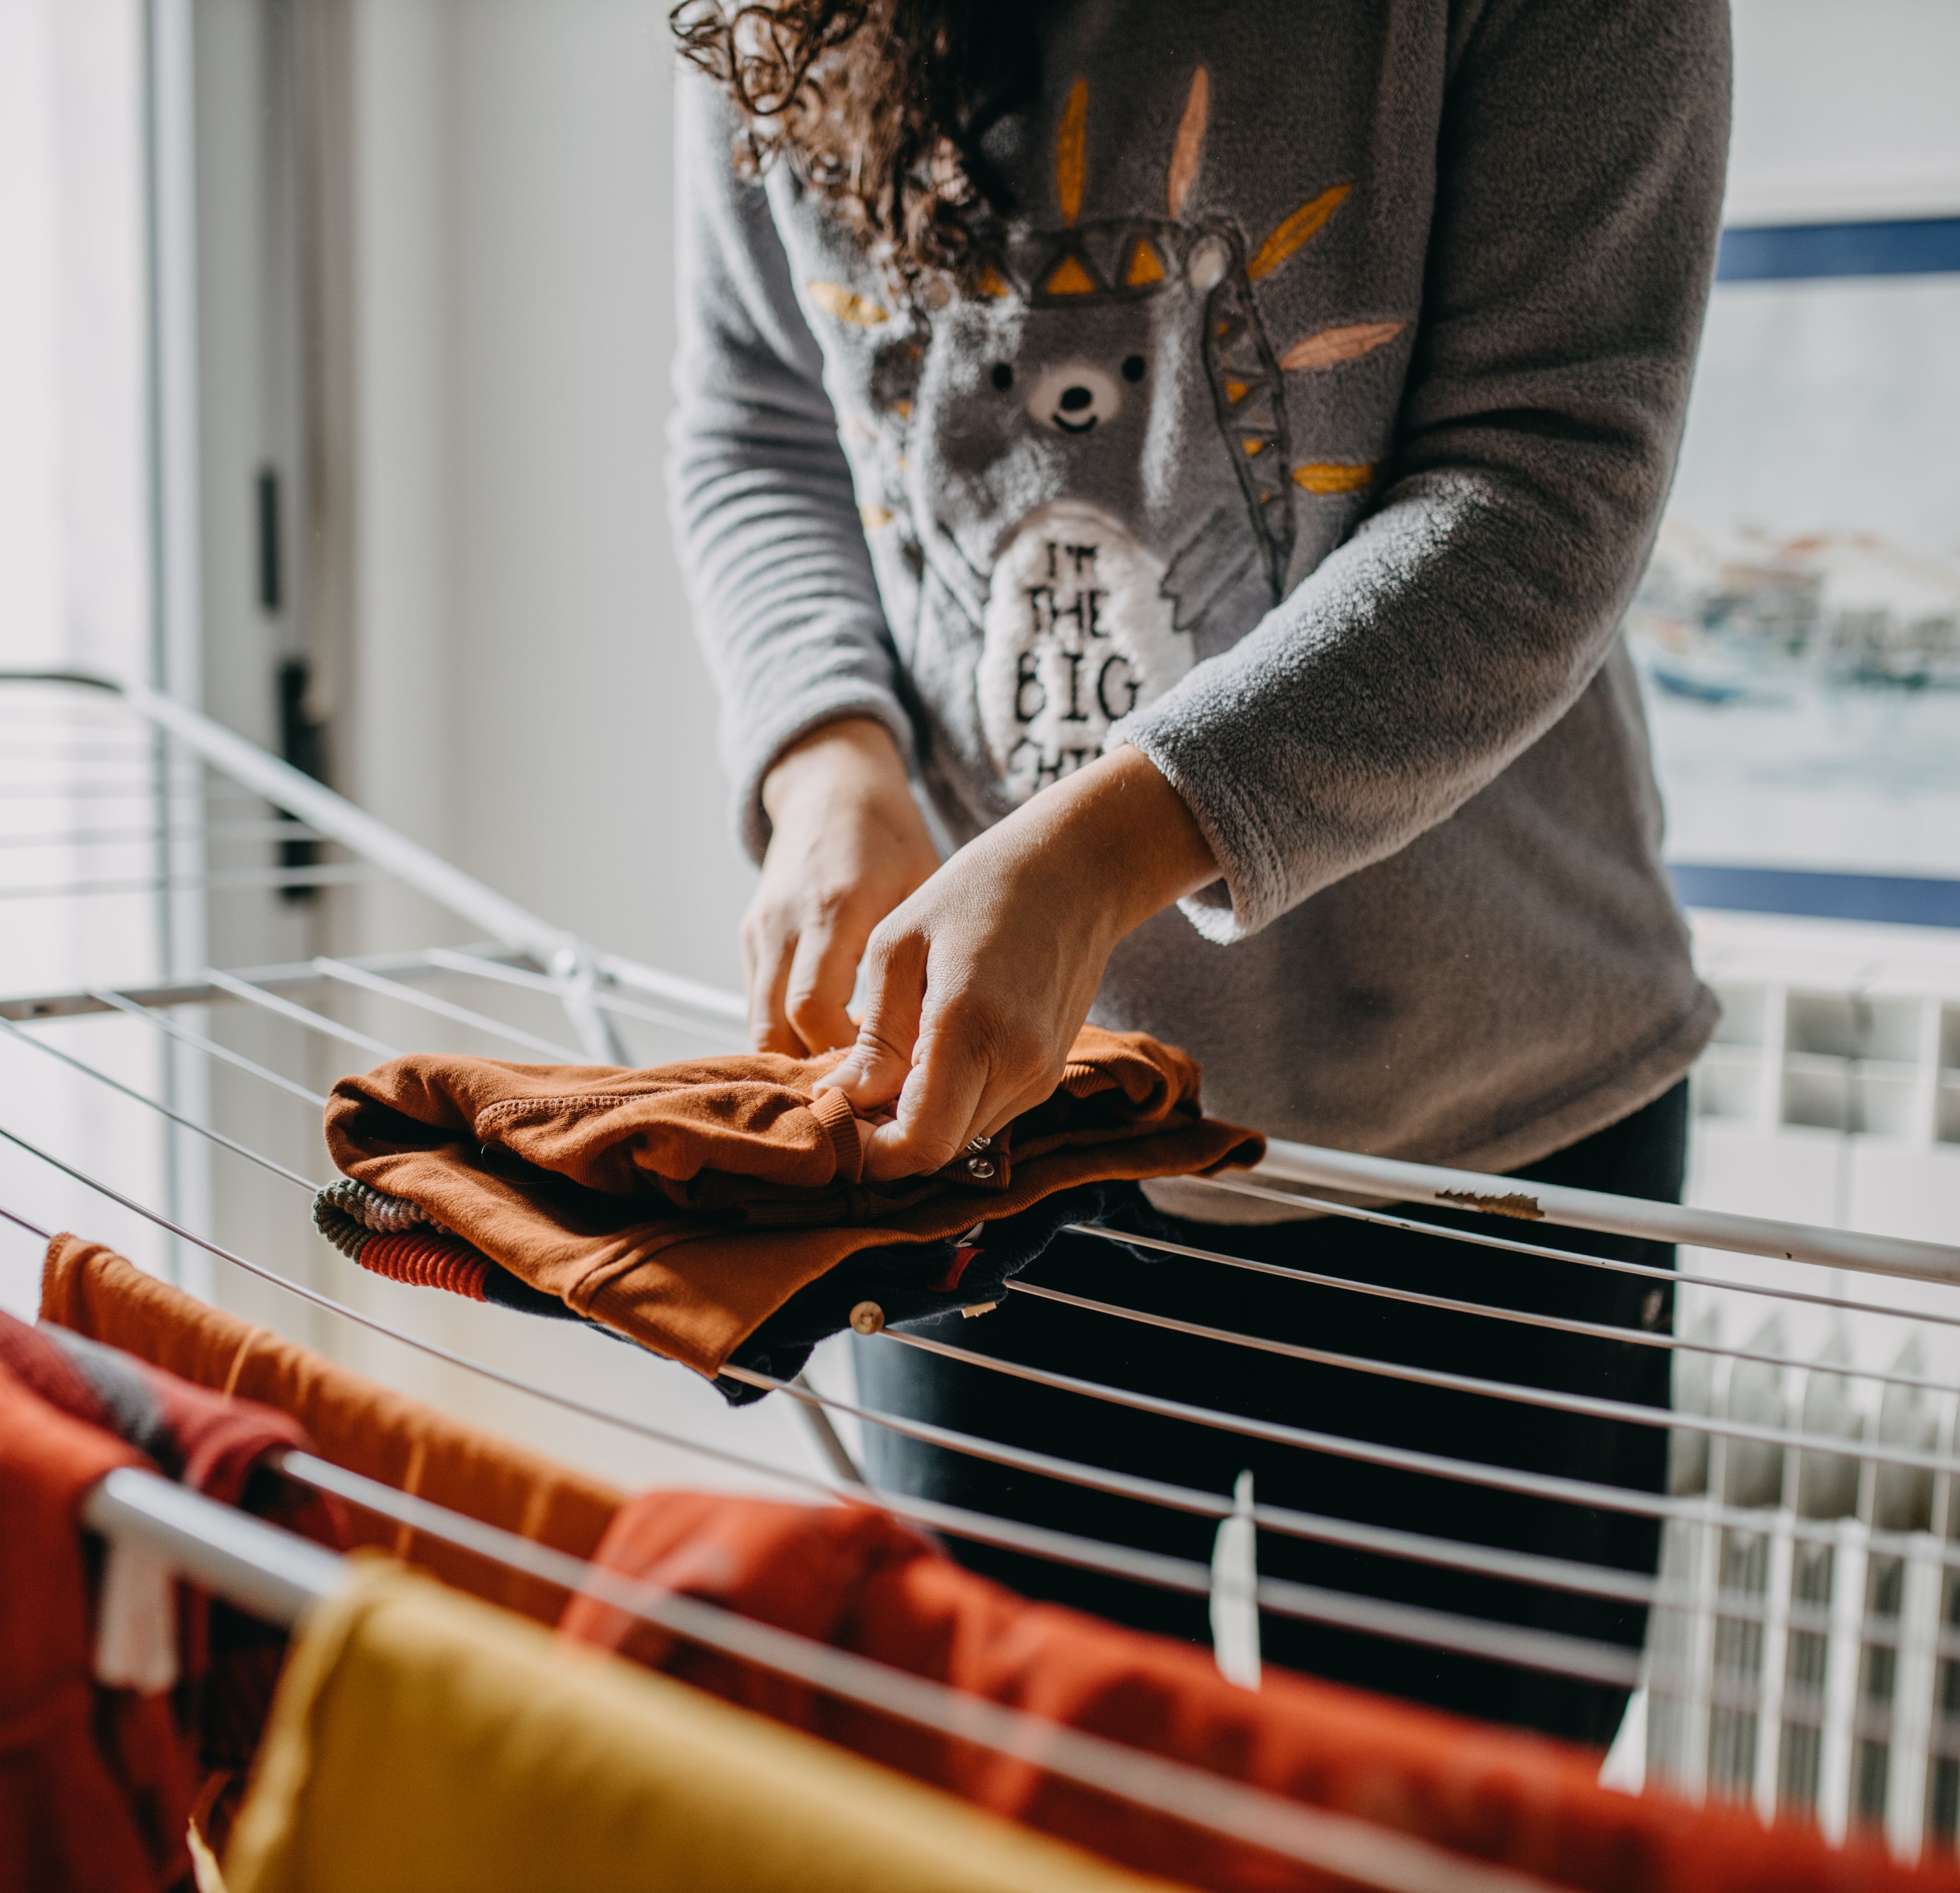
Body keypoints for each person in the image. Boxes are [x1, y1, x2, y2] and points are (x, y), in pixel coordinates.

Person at [666, 0, 1729, 1749]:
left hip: (1482, 1140)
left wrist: (1100, 853)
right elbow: (760, 421)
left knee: (1424, 1859)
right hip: (989, 1148)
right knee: (1005, 1822)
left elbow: (1549, 471)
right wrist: (827, 764)